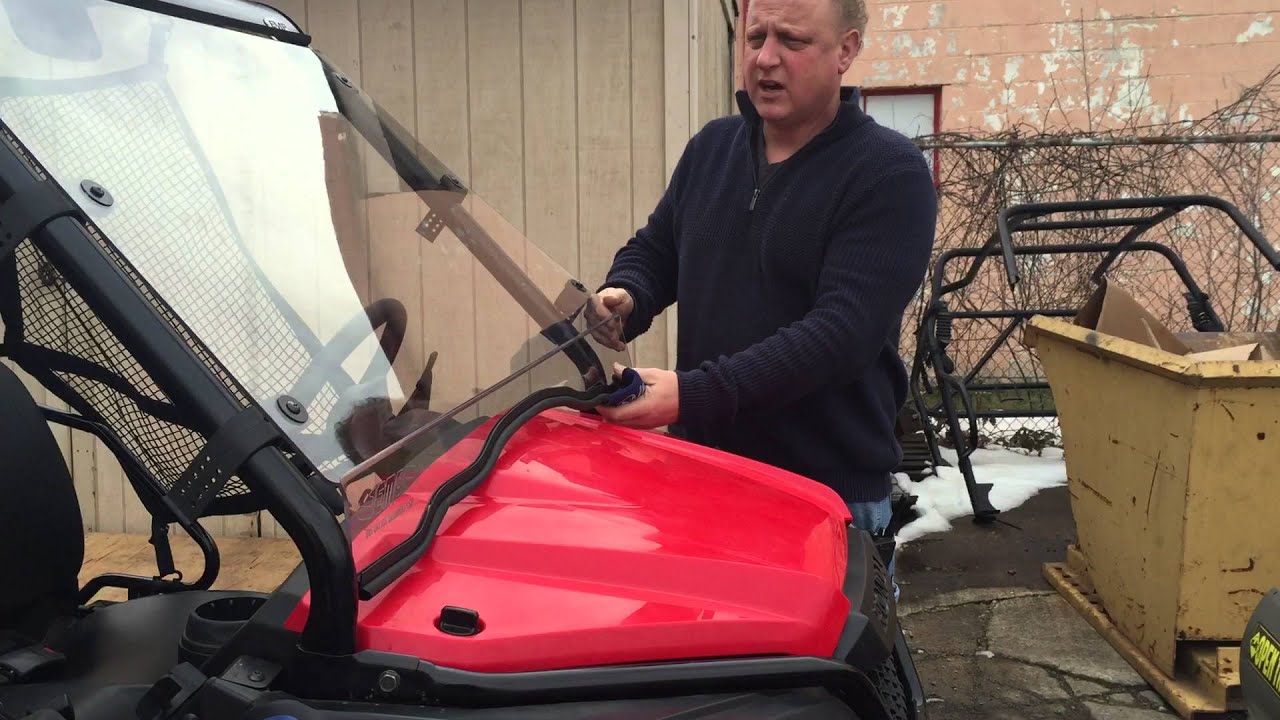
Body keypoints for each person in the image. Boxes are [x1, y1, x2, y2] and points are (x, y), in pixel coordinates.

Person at [589, 0, 937, 579]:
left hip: (823, 504)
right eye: (755, 37)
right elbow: (658, 250)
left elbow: (841, 336)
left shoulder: (889, 174)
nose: (765, 58)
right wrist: (627, 295)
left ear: (846, 51)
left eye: (793, 42)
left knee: (817, 671)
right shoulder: (712, 150)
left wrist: (691, 394)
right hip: (702, 479)